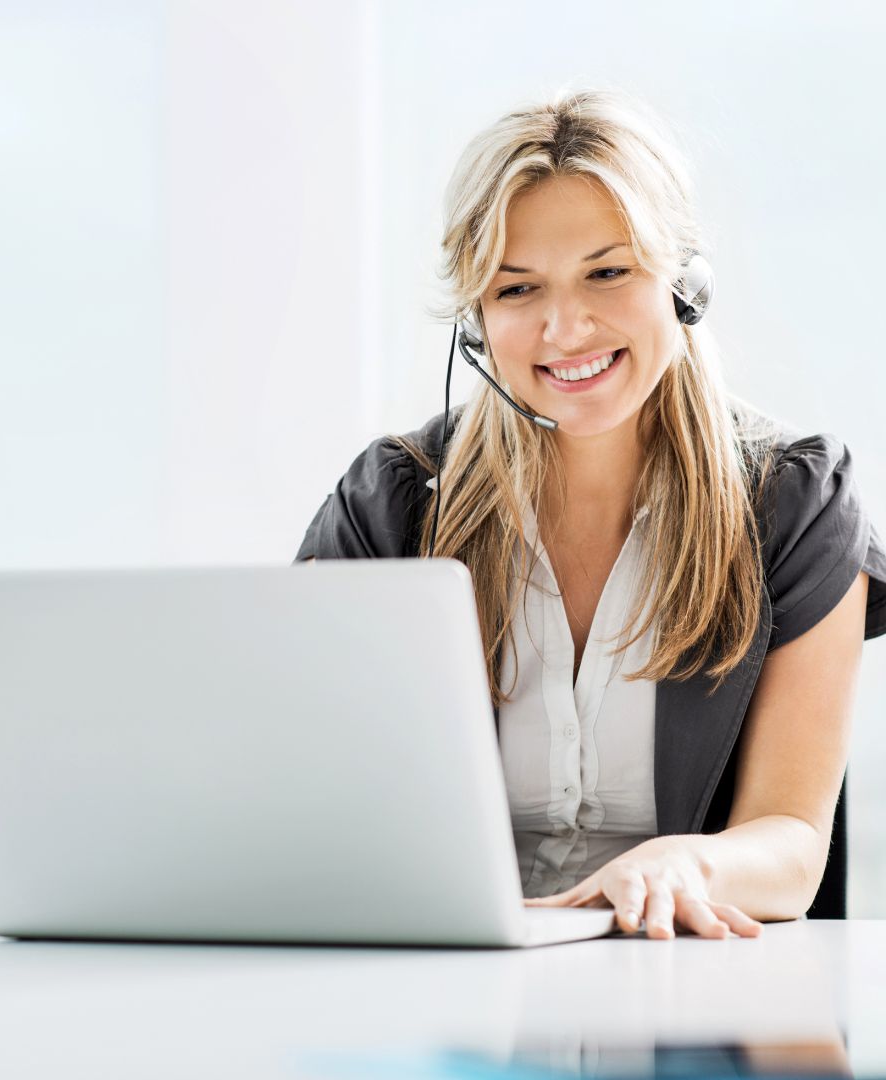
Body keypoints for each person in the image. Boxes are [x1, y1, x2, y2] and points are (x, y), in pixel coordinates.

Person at [293, 85, 886, 941]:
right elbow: (296, 788)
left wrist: (685, 862)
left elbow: (792, 844)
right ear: (475, 320)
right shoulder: (393, 503)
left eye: (608, 273)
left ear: (685, 286)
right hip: (447, 985)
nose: (565, 327)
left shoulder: (793, 503)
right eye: (517, 289)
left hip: (688, 984)